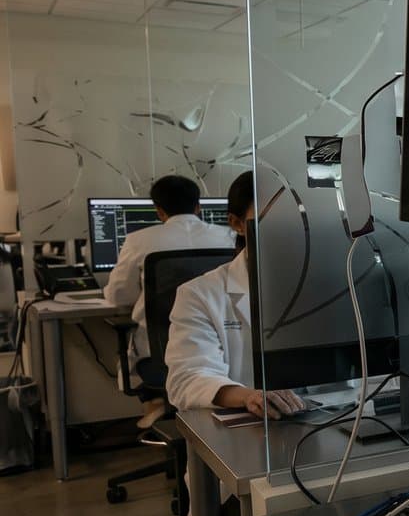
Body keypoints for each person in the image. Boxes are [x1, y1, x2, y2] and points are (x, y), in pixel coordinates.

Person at [167, 172, 303, 419]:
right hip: (246, 430)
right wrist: (249, 397)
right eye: (269, 217)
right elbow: (187, 379)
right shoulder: (199, 295)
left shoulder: (329, 282)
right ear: (237, 223)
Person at [101, 175, 234, 425]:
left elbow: (119, 296)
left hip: (159, 351)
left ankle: (160, 407)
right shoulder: (227, 236)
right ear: (198, 207)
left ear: (159, 211)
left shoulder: (139, 240)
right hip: (220, 345)